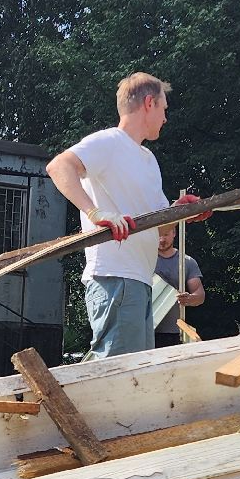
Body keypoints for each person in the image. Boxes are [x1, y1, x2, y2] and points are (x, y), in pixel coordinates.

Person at [46, 72, 206, 359]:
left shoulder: (148, 160)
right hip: (115, 278)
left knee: (134, 375)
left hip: (140, 281)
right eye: (164, 108)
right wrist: (95, 212)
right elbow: (58, 167)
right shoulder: (109, 142)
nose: (165, 118)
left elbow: (159, 226)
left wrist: (182, 211)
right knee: (117, 373)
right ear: (149, 103)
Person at [153, 230, 204, 349]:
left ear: (174, 233)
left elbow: (200, 295)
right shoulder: (144, 260)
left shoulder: (187, 262)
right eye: (158, 235)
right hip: (146, 329)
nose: (162, 239)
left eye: (166, 234)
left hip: (173, 331)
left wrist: (189, 299)